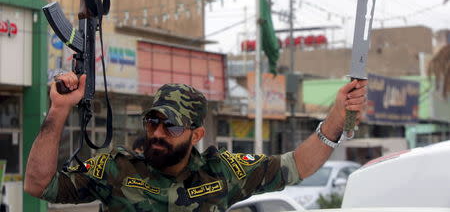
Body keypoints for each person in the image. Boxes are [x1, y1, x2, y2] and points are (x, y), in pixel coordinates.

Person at [24, 72, 367, 211]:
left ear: (196, 134)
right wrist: (59, 109)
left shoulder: (222, 173)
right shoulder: (114, 169)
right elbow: (39, 185)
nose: (157, 133)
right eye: (152, 122)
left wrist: (337, 117)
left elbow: (298, 165)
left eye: (171, 127)